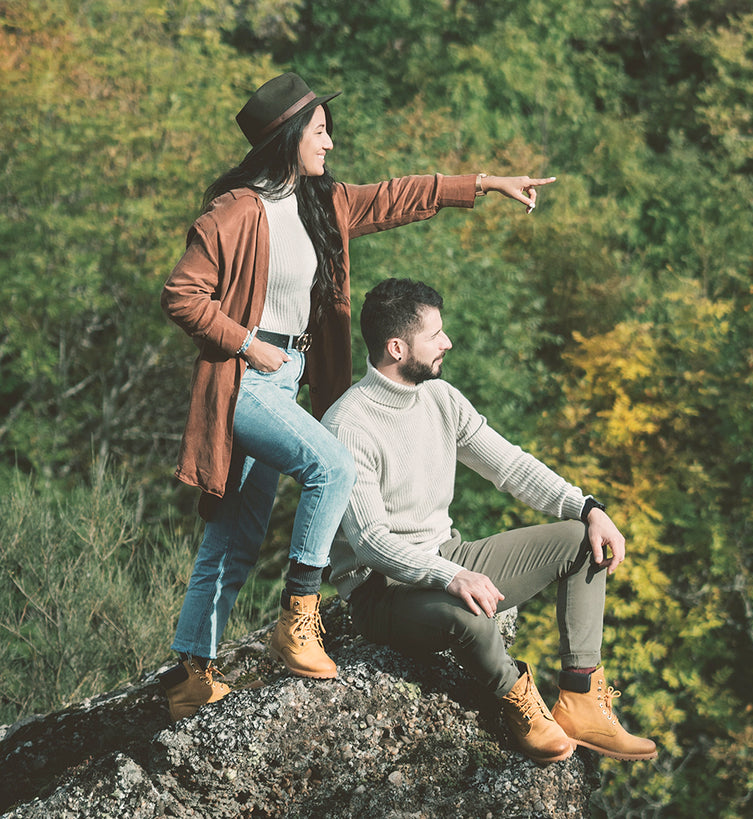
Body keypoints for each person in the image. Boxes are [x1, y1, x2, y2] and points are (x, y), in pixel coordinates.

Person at [157, 72, 557, 721]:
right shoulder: (233, 210)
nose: (330, 142)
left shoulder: (322, 204)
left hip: (288, 379)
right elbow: (182, 294)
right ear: (286, 138)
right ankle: (300, 614)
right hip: (246, 380)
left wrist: (484, 184)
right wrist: (248, 344)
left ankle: (191, 675)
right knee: (333, 464)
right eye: (319, 130)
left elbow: (399, 196)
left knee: (237, 533)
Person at [321, 278, 657, 764]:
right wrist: (451, 575)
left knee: (582, 541)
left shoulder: (440, 398)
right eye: (435, 335)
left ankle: (580, 699)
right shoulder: (348, 425)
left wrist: (588, 507)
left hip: (448, 557)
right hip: (384, 593)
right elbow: (371, 541)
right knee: (473, 619)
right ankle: (516, 702)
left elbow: (510, 466)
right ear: (397, 347)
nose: (447, 343)